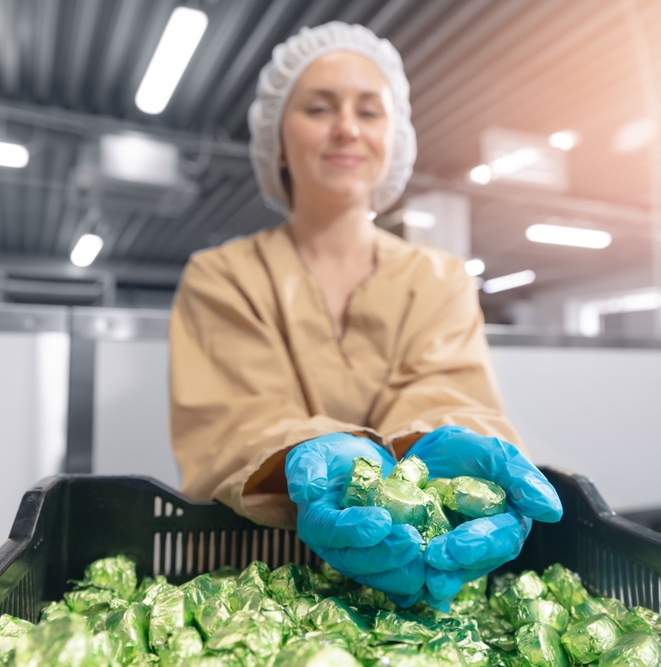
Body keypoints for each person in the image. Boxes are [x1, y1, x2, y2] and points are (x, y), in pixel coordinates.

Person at [169, 22, 561, 609]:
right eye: (319, 108)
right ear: (277, 136)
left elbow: (449, 393)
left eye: (369, 112)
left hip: (426, 570)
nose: (346, 129)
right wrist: (310, 456)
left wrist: (437, 444)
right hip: (257, 586)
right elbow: (231, 425)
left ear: (395, 138)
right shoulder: (222, 277)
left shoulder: (441, 279)